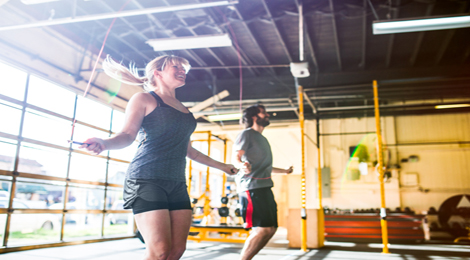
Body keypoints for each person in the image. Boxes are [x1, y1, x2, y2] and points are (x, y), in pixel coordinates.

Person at [79, 55, 238, 260]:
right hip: (146, 179)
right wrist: (104, 143)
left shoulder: (184, 110)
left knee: (176, 251)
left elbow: (189, 151)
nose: (182, 70)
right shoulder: (144, 99)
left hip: (176, 183)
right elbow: (127, 135)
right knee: (160, 251)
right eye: (176, 67)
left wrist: (223, 166)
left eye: (184, 68)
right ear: (158, 72)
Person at [234, 104, 293, 260]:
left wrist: (284, 171)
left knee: (271, 229)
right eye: (263, 113)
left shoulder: (262, 139)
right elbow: (237, 158)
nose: (267, 115)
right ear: (254, 117)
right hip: (251, 187)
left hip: (265, 187)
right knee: (262, 229)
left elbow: (265, 167)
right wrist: (242, 165)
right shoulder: (246, 134)